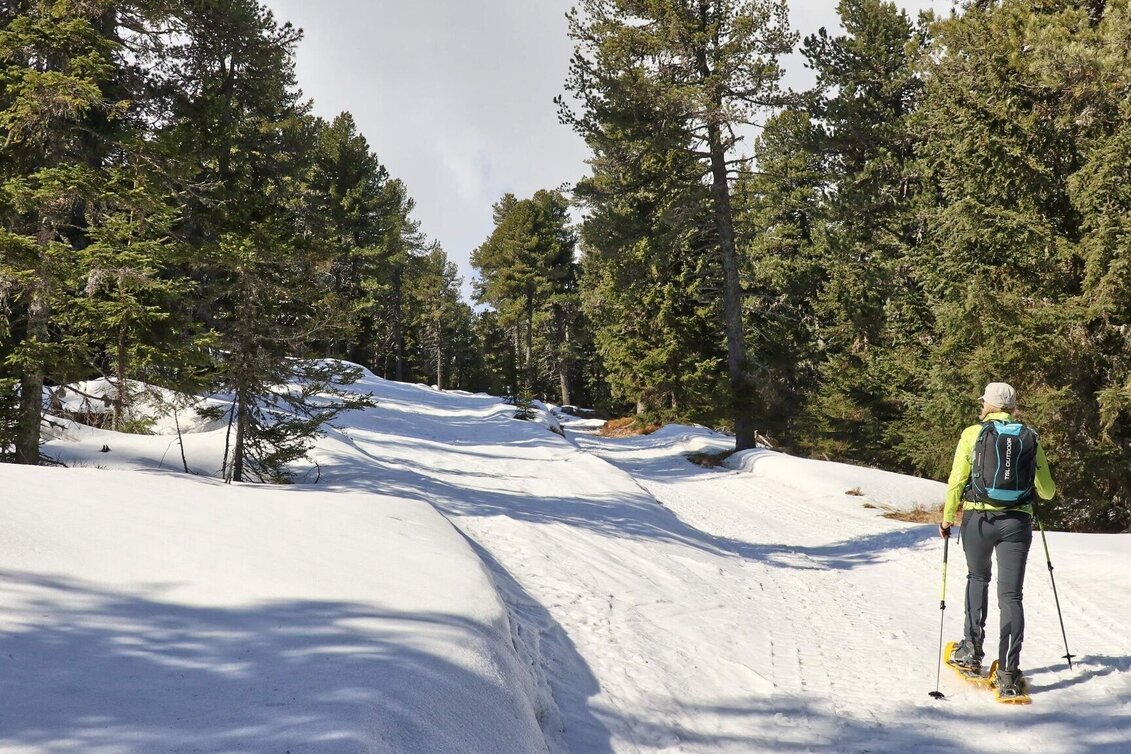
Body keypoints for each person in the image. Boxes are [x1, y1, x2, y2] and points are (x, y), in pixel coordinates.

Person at [939, 382, 1055, 697]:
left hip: (979, 520)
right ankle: (1008, 673)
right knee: (1012, 596)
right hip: (1017, 523)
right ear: (1013, 407)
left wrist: (948, 517)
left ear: (988, 405)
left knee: (977, 578)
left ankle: (971, 651)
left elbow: (957, 479)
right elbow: (1047, 491)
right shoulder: (1030, 437)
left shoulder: (971, 434)